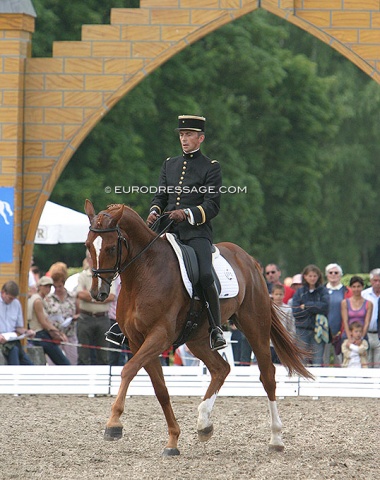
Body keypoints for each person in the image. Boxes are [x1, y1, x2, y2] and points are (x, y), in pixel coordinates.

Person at [146, 114, 226, 351]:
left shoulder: (211, 167)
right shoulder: (169, 164)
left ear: (200, 138)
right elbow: (160, 196)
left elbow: (213, 205)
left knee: (204, 275)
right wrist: (154, 210)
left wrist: (187, 213)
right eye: (182, 135)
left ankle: (216, 327)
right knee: (137, 264)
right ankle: (124, 324)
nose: (184, 139)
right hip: (167, 229)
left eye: (189, 135)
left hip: (196, 232)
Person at [76, 250, 116, 365]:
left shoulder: (106, 276)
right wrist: (100, 298)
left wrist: (91, 298)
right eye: (92, 258)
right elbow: (79, 294)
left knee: (104, 354)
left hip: (102, 318)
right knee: (83, 354)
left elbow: (111, 296)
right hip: (86, 317)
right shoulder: (83, 276)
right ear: (88, 260)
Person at [292, 264, 330, 366]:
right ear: (305, 276)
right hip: (302, 330)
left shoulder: (323, 291)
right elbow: (296, 312)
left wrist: (306, 306)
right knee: (301, 360)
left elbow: (324, 307)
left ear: (318, 277)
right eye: (310, 276)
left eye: (315, 276)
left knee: (318, 360)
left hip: (318, 330)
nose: (312, 278)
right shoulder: (300, 292)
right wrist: (314, 309)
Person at [28, 276, 71, 365]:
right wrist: (58, 333)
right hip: (40, 334)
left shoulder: (38, 299)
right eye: (45, 286)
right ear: (39, 286)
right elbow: (43, 322)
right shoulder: (37, 301)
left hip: (39, 334)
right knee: (64, 363)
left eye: (49, 286)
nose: (48, 289)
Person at [44, 262, 79, 365]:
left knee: (72, 363)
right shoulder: (48, 299)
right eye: (55, 286)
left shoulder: (73, 296)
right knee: (53, 364)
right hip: (54, 337)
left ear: (64, 282)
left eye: (60, 286)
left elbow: (78, 312)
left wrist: (74, 318)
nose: (58, 289)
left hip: (70, 334)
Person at [323, 263, 352, 366]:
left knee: (340, 362)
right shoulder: (321, 290)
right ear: (326, 275)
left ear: (340, 275)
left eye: (336, 272)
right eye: (330, 272)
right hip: (323, 333)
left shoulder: (347, 291)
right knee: (323, 362)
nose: (333, 275)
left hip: (341, 333)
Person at [0, 281, 35, 365]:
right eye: (10, 298)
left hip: (12, 339)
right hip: (2, 341)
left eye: (13, 298)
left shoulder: (16, 304)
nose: (11, 301)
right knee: (14, 351)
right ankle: (15, 375)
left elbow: (18, 327)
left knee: (29, 364)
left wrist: (27, 332)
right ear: (3, 293)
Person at [341, 275, 372, 343]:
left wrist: (361, 338)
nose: (356, 289)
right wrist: (349, 338)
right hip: (348, 336)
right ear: (351, 288)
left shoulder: (368, 303)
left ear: (362, 287)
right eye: (354, 287)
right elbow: (345, 321)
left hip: (362, 336)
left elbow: (367, 323)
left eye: (358, 286)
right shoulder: (345, 302)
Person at [270, 284, 295, 364]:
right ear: (272, 295)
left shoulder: (287, 309)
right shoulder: (268, 308)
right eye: (276, 294)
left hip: (282, 343)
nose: (278, 296)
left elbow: (291, 326)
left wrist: (290, 339)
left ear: (284, 295)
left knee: (281, 364)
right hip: (269, 342)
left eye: (280, 294)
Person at [361, 268, 380, 368]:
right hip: (366, 333)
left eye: (379, 281)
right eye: (375, 280)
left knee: (378, 365)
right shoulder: (364, 294)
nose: (377, 283)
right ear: (371, 281)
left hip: (379, 335)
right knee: (366, 363)